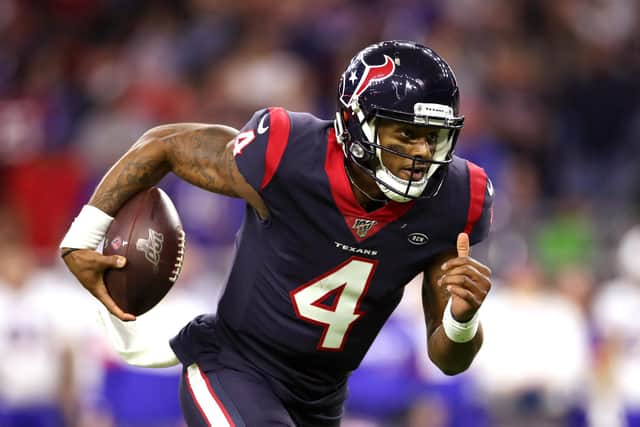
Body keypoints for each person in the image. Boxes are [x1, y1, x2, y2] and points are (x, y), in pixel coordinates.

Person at [60, 40, 494, 426]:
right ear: (356, 122)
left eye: (432, 137)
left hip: (321, 401)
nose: (421, 153)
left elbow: (449, 360)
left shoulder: (454, 199)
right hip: (236, 368)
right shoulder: (289, 153)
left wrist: (462, 320)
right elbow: (165, 144)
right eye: (406, 134)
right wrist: (82, 236)